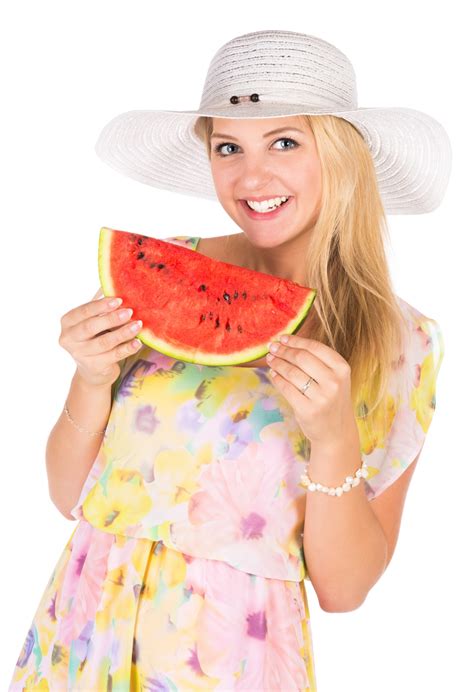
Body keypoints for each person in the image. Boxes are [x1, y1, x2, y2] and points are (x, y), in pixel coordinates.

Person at [9, 29, 450, 691]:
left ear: (339, 152)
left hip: (230, 662)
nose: (251, 177)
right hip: (85, 634)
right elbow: (70, 496)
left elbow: (345, 589)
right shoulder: (162, 275)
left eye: (285, 142)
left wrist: (334, 441)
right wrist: (91, 379)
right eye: (228, 147)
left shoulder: (404, 345)